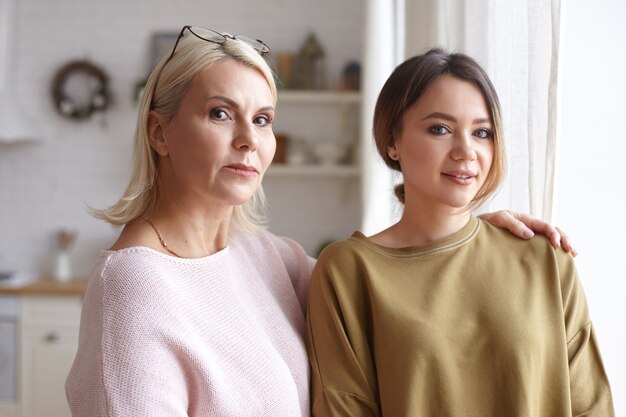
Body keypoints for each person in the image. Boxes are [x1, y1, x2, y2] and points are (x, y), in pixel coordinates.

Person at [65, 26, 575, 417]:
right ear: (159, 132)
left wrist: (475, 232)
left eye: (262, 119)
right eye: (220, 114)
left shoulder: (270, 259)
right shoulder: (134, 285)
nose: (249, 138)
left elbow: (402, 291)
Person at [306, 48, 614, 417]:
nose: (466, 151)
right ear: (392, 141)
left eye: (482, 132)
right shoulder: (348, 270)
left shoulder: (545, 257)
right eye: (440, 129)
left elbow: (590, 406)